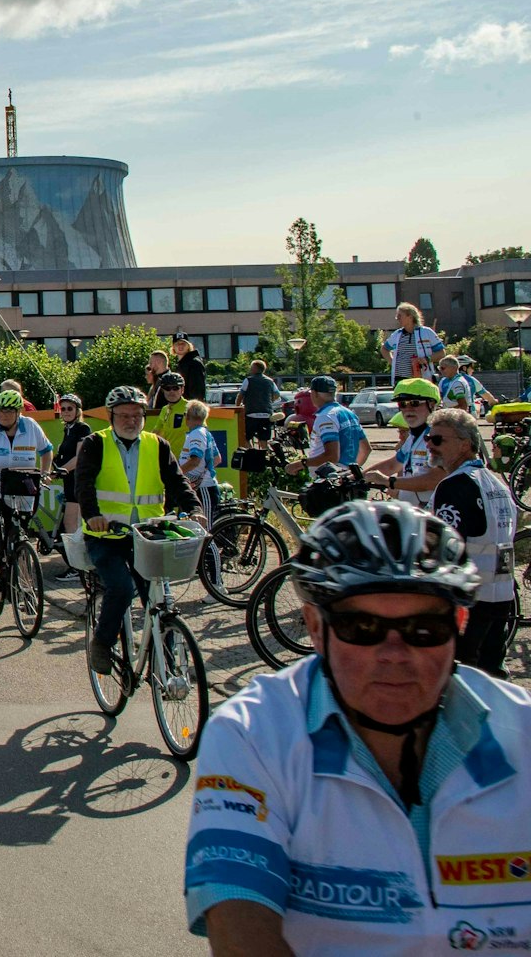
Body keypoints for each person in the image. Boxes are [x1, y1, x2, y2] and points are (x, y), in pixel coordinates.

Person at [184, 501, 531, 954]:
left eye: (423, 628)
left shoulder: (521, 732)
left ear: (459, 623)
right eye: (360, 627)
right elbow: (239, 921)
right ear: (313, 625)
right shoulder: (253, 733)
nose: (393, 654)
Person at [77, 386, 200, 674]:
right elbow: (82, 485)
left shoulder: (157, 445)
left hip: (147, 535)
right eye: (124, 415)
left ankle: (168, 667)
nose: (131, 421)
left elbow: (177, 481)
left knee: (160, 597)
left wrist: (194, 509)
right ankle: (102, 644)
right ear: (111, 417)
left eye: (137, 415)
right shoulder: (96, 443)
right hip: (106, 536)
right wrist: (92, 515)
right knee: (121, 588)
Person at [421, 406, 518, 675]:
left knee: (461, 680)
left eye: (438, 440)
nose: (430, 445)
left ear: (465, 444)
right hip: (501, 596)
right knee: (493, 675)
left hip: (470, 601)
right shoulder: (496, 483)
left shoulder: (454, 486)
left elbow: (442, 549)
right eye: (429, 438)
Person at [0, 389, 53, 561]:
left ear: (18, 412)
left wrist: (45, 472)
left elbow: (46, 451)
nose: (3, 414)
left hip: (20, 485)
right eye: (0, 410)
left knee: (17, 528)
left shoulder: (31, 426)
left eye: (8, 411)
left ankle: (16, 557)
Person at [364, 378, 446, 510]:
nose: (408, 409)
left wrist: (389, 482)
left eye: (414, 403)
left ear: (431, 404)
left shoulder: (439, 435)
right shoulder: (414, 436)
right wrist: (358, 476)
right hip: (416, 514)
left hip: (437, 516)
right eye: (402, 404)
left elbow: (435, 479)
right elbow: (392, 465)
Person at [288, 376, 365, 480]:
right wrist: (352, 473)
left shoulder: (326, 416)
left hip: (329, 480)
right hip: (345, 477)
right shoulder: (349, 413)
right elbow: (366, 449)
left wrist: (300, 464)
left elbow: (332, 456)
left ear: (314, 393)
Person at [51, 392, 94, 536]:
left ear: (77, 411)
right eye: (63, 409)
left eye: (70, 408)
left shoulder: (82, 428)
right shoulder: (68, 429)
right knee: (71, 524)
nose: (66, 412)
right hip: (69, 481)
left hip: (79, 481)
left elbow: (79, 457)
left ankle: (80, 557)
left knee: (72, 523)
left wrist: (60, 470)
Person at [178, 399, 221, 520]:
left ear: (188, 417)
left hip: (203, 488)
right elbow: (217, 459)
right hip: (203, 486)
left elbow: (195, 461)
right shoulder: (204, 432)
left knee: (205, 528)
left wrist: (177, 473)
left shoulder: (196, 434)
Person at [382, 301, 443, 380]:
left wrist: (426, 359)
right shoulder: (397, 334)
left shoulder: (426, 332)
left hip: (421, 379)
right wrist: (393, 363)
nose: (397, 318)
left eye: (400, 316)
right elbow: (384, 349)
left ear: (410, 317)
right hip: (400, 380)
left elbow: (441, 353)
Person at [237, 358, 278, 442]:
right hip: (266, 414)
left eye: (251, 367)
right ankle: (264, 453)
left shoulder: (248, 380)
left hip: (251, 413)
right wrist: (271, 401)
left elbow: (240, 395)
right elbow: (277, 394)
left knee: (245, 438)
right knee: (263, 439)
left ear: (255, 368)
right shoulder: (270, 381)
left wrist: (238, 406)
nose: (250, 369)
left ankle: (251, 452)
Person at [172, 332, 208, 399]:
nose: (180, 346)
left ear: (189, 346)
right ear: (173, 347)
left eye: (183, 343)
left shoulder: (194, 363)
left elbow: (197, 392)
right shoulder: (180, 364)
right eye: (177, 344)